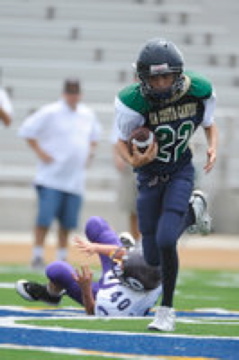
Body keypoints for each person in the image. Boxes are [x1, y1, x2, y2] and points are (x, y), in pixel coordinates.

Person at [114, 38, 218, 331]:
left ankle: (166, 310)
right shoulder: (131, 101)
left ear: (178, 73)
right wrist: (134, 161)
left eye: (166, 76)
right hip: (148, 177)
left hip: (180, 171)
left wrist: (213, 146)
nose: (161, 83)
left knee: (166, 240)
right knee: (151, 255)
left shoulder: (199, 89)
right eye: (155, 77)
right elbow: (120, 142)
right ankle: (194, 214)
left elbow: (210, 123)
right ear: (143, 78)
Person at [18, 79, 101, 269]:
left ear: (80, 94)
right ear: (64, 93)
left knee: (67, 223)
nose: (73, 96)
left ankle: (62, 257)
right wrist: (40, 152)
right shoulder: (51, 111)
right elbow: (26, 130)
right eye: (70, 92)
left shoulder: (87, 114)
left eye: (76, 93)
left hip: (75, 180)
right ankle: (37, 255)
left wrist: (89, 154)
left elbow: (94, 136)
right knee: (44, 219)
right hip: (51, 178)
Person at [15, 216, 163, 317]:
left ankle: (51, 294)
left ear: (131, 282)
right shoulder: (156, 273)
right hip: (128, 278)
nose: (121, 261)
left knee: (56, 270)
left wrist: (85, 289)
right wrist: (95, 247)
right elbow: (125, 255)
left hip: (102, 292)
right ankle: (128, 247)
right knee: (95, 224)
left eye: (123, 264)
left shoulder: (116, 305)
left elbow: (92, 312)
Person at [111, 120, 141, 242]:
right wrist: (118, 157)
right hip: (131, 163)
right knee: (133, 208)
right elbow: (116, 140)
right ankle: (136, 242)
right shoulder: (125, 115)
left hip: (150, 162)